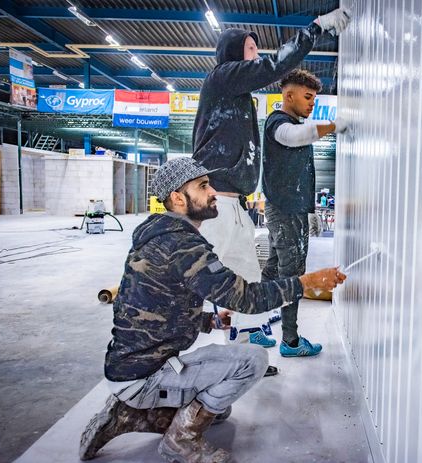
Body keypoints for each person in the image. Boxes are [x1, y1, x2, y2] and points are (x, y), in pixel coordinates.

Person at [79, 158, 347, 462]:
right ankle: (180, 441)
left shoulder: (158, 234)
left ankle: (128, 416)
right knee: (252, 361)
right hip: (145, 374)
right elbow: (247, 299)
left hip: (128, 368)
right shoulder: (181, 245)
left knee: (219, 412)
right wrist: (305, 282)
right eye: (203, 186)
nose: (213, 192)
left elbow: (149, 303)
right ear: (178, 199)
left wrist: (207, 320)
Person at [192, 7, 352, 349]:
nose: (257, 57)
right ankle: (174, 331)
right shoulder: (224, 78)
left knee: (246, 272)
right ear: (234, 54)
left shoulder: (237, 97)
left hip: (233, 202)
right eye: (251, 50)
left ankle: (248, 338)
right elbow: (272, 66)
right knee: (202, 275)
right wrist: (316, 28)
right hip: (217, 199)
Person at [262, 69, 348, 357]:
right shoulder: (279, 122)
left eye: (314, 98)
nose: (312, 103)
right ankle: (290, 341)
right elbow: (294, 136)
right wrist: (335, 126)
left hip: (291, 210)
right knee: (292, 274)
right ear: (289, 95)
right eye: (308, 97)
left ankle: (255, 325)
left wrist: (310, 212)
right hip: (285, 211)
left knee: (274, 269)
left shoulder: (293, 122)